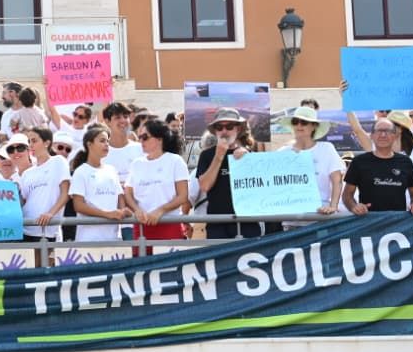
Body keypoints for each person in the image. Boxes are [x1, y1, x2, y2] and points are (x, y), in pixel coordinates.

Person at [194, 108, 268, 239]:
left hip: (247, 223)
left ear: (238, 129)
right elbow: (205, 186)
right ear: (215, 131)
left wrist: (248, 158)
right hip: (217, 224)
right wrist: (219, 155)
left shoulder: (249, 155)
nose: (224, 131)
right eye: (219, 127)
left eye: (229, 127)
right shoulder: (206, 155)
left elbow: (261, 187)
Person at [123, 119, 189, 253]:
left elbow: (183, 196)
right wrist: (136, 210)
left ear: (159, 139)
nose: (141, 141)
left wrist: (161, 210)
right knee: (141, 264)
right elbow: (128, 193)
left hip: (169, 224)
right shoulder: (136, 164)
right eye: (140, 137)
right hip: (142, 226)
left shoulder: (175, 161)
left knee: (170, 265)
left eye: (145, 137)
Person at [342, 118, 413, 215]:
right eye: (379, 131)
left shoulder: (405, 162)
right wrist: (354, 207)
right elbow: (347, 195)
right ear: (372, 136)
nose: (383, 135)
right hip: (368, 220)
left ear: (394, 136)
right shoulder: (359, 162)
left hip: (398, 221)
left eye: (388, 131)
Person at [69, 126, 130, 242]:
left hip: (113, 238)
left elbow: (119, 196)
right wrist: (107, 214)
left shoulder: (111, 170)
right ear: (89, 144)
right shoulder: (80, 172)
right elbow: (78, 206)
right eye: (102, 141)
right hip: (88, 239)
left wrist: (123, 211)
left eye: (107, 141)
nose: (106, 144)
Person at [283, 106, 344, 220]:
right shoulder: (283, 152)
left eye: (304, 122)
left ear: (314, 126)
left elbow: (337, 180)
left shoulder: (326, 149)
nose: (299, 125)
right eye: (295, 122)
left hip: (321, 216)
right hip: (291, 216)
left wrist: (333, 207)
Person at [18, 126, 70, 242]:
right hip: (26, 228)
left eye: (34, 141)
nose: (30, 145)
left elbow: (65, 193)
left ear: (47, 143)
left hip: (47, 230)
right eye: (29, 141)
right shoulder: (26, 173)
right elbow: (24, 201)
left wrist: (50, 214)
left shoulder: (58, 161)